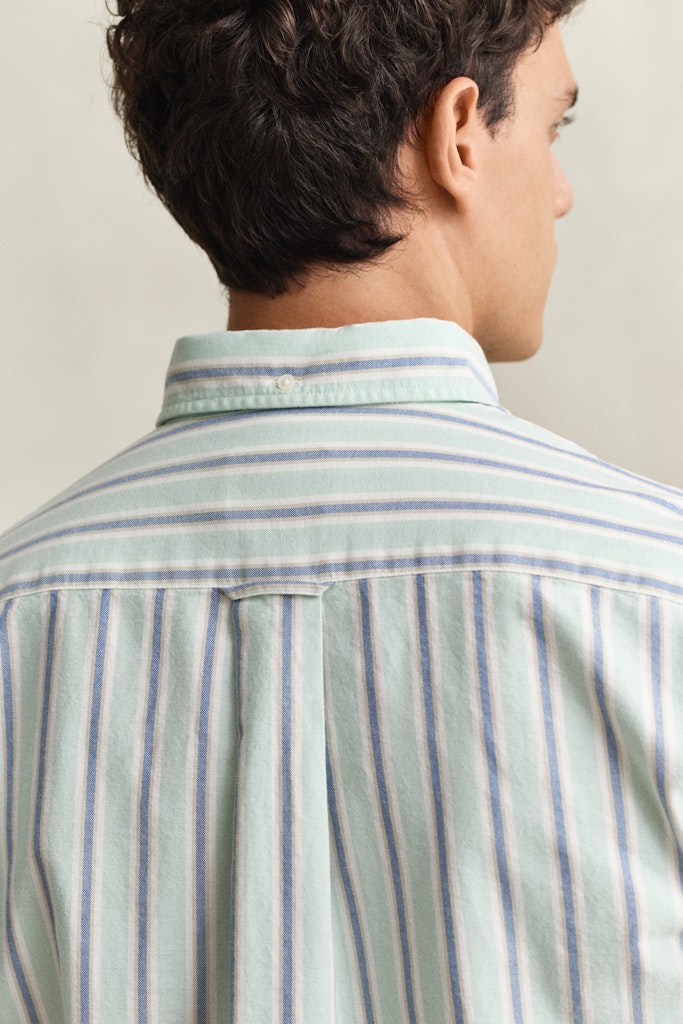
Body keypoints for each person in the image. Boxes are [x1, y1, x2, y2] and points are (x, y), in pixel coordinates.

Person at [1, 1, 682, 1021]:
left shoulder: (21, 616)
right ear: (457, 132)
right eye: (552, 128)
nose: (559, 192)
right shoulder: (654, 590)